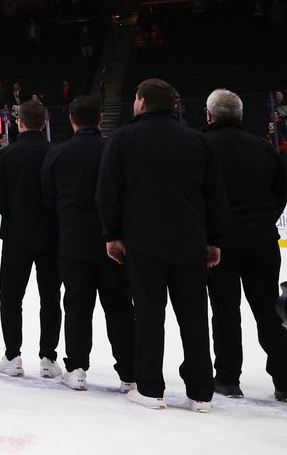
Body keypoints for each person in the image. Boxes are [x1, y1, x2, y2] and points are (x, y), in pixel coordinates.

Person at [97, 78, 228, 412]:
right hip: (190, 243)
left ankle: (151, 388)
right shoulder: (198, 141)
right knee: (195, 318)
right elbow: (215, 196)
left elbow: (108, 192)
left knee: (149, 315)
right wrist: (214, 240)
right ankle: (201, 393)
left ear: (141, 102)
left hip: (144, 243)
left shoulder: (123, 139)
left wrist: (112, 234)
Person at [202, 89, 287, 402]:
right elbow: (279, 195)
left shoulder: (202, 147)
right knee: (269, 309)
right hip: (261, 239)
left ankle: (228, 378)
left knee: (225, 310)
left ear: (209, 115)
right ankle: (285, 382)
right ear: (240, 115)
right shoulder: (263, 147)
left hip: (220, 242)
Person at [42, 96, 135, 391]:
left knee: (77, 306)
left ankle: (78, 368)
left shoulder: (58, 154)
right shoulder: (116, 149)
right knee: (119, 307)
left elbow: (49, 198)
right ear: (99, 120)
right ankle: (129, 373)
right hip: (114, 242)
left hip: (73, 243)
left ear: (72, 120)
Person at [0, 98, 61, 378]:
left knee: (10, 296)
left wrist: (14, 219)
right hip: (51, 236)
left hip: (16, 235)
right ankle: (48, 357)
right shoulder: (55, 152)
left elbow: (0, 198)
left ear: (18, 124)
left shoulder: (5, 155)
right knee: (51, 297)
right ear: (44, 123)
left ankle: (13, 356)